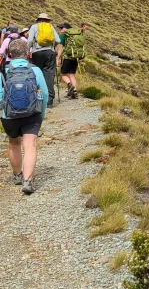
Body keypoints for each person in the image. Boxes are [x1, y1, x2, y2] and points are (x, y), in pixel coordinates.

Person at [1, 38, 49, 195]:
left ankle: (17, 175)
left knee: (14, 144)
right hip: (32, 114)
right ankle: (27, 181)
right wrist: (41, 113)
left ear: (9, 54)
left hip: (8, 115)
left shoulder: (3, 71)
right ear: (28, 54)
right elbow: (45, 93)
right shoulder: (35, 70)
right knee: (30, 145)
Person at [26, 13, 60, 107]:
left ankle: (38, 98)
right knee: (49, 75)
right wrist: (53, 47)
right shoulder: (50, 27)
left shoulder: (34, 27)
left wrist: (28, 51)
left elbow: (29, 41)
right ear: (47, 20)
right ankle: (49, 101)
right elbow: (58, 40)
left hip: (37, 53)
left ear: (39, 20)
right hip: (50, 52)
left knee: (37, 74)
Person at [57, 22, 86, 99]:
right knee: (72, 75)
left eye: (62, 28)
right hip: (76, 57)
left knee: (63, 74)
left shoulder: (64, 36)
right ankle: (75, 92)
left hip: (67, 57)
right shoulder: (76, 34)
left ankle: (70, 85)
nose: (60, 29)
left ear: (66, 28)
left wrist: (58, 58)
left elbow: (60, 48)